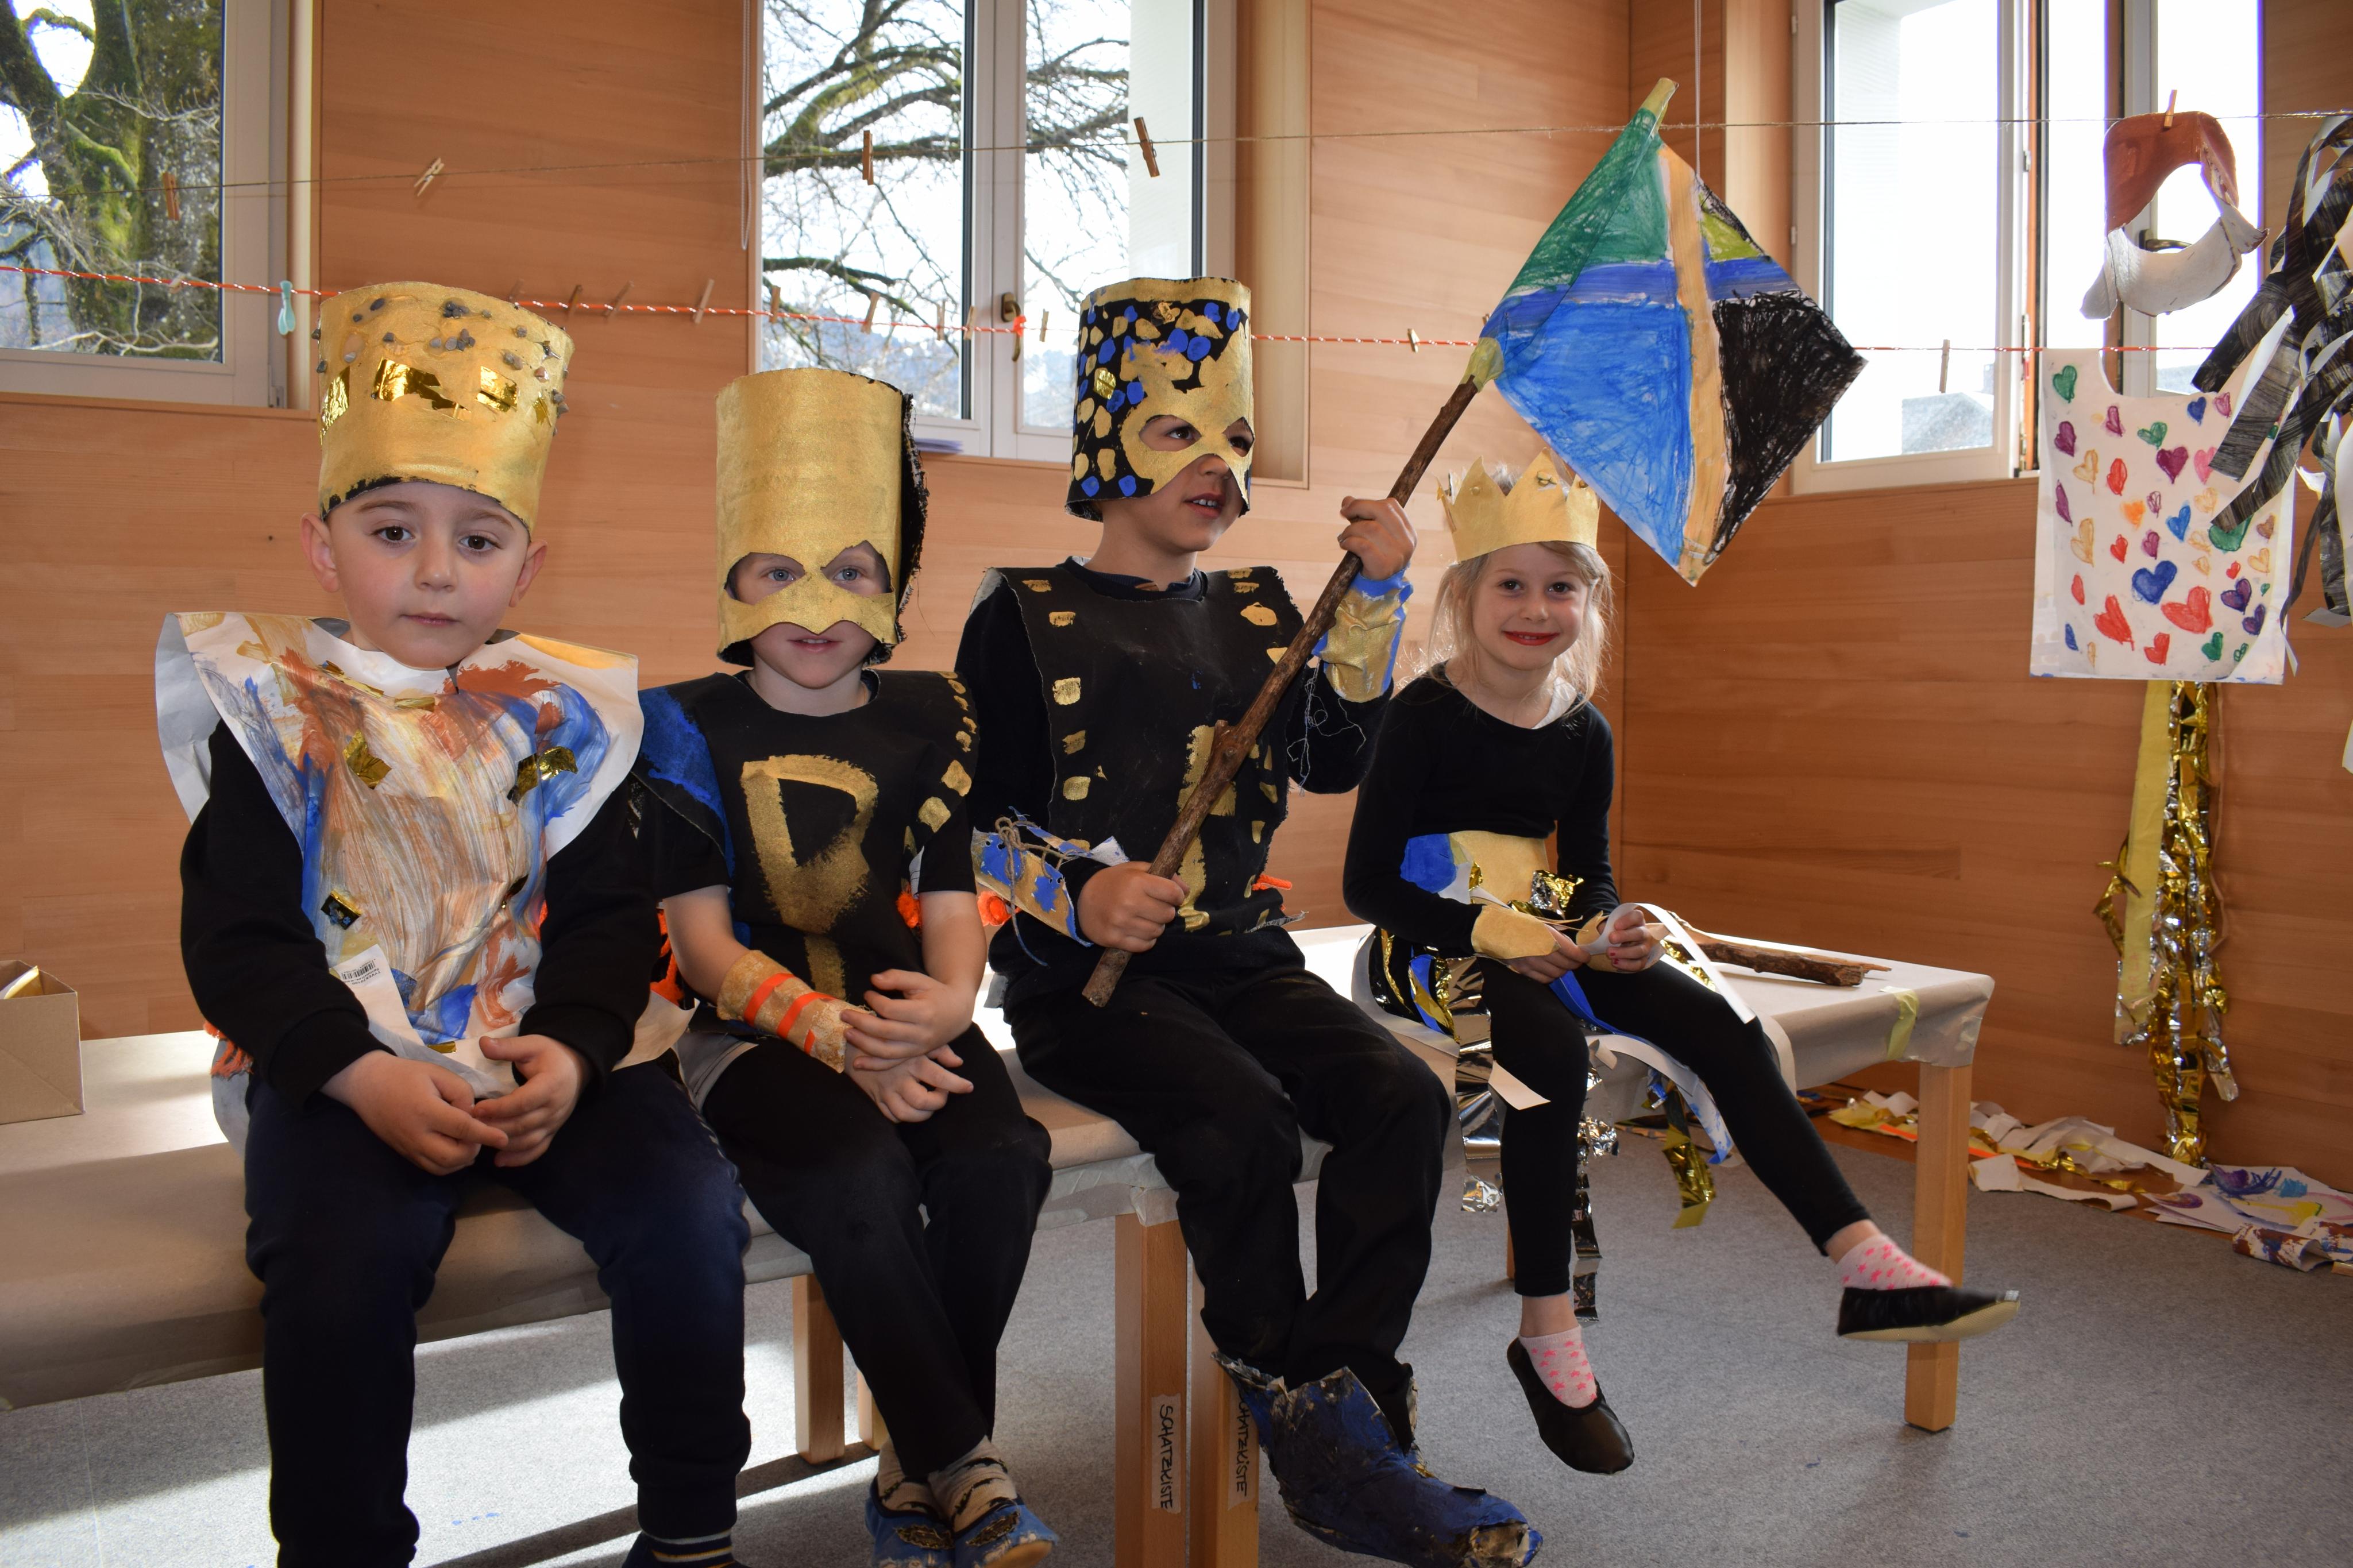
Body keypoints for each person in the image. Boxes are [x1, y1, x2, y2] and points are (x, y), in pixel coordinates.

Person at [161, 283, 753, 1567]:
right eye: (392, 530)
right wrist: (357, 1075)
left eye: (478, 540)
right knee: (333, 1261)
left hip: (548, 1048)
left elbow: (606, 922)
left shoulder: (566, 718)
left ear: (525, 567)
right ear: (324, 548)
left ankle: (692, 1526)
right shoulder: (270, 709)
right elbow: (238, 945)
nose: (435, 570)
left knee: (688, 1209)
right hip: (346, 1063)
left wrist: (577, 1054)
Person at [957, 276, 1538, 1568]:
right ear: (1105, 442)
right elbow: (971, 824)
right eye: (1178, 435)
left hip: (1239, 952)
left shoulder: (1269, 607)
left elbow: (1331, 760)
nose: (1214, 468)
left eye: (1231, 440)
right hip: (1084, 983)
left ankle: (1343, 1406)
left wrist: (1376, 601)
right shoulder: (1020, 616)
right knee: (1239, 1120)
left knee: (1402, 1096)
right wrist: (1076, 892)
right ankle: (1305, 1406)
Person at [1343, 452, 2022, 1477]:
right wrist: (1493, 933)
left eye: (1561, 587)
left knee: (1720, 1022)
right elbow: (1368, 887)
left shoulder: (1585, 729)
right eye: (1512, 584)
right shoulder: (1422, 716)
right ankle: (1547, 1335)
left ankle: (1866, 1264)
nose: (1535, 608)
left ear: (1590, 602)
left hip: (1547, 927)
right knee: (1544, 1050)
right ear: (1466, 594)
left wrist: (1615, 927)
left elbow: (1590, 876)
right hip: (1427, 940)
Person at [636, 367, 1056, 1568]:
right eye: (778, 571)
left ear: (894, 588)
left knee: (1001, 1160)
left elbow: (950, 889)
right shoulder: (683, 724)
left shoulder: (932, 715)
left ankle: (910, 1463)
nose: (816, 604)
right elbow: (703, 948)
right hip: (753, 1039)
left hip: (910, 1018)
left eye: (853, 570)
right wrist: (835, 1040)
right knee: (856, 1178)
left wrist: (952, 1000)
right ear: (730, 581)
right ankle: (963, 1463)